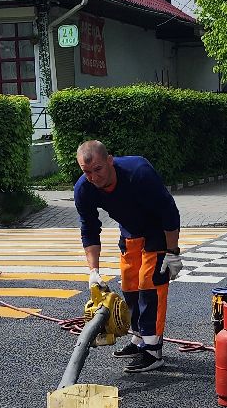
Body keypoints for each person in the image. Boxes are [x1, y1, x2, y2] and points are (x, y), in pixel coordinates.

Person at [73, 139, 182, 373]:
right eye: (87, 172)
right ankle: (139, 337)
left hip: (156, 227)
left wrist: (173, 252)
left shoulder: (139, 173)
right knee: (130, 282)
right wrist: (94, 271)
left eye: (98, 169)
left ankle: (153, 349)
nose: (94, 177)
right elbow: (89, 228)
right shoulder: (84, 188)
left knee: (149, 282)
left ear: (110, 160)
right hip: (130, 228)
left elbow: (169, 212)